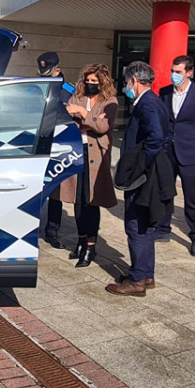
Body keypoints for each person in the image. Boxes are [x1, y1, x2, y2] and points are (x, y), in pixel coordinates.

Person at [107, 61, 174, 297]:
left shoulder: (147, 105)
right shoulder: (155, 102)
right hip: (151, 172)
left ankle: (137, 281)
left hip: (146, 175)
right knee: (143, 226)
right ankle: (145, 274)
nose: (126, 87)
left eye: (126, 83)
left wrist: (136, 166)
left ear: (134, 81)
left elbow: (155, 139)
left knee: (136, 226)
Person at [58, 63, 119, 267]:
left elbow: (103, 127)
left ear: (103, 82)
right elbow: (67, 118)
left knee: (92, 202)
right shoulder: (77, 97)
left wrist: (82, 114)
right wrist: (89, 117)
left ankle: (91, 247)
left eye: (95, 81)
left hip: (96, 157)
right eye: (88, 80)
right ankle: (81, 240)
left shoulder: (109, 101)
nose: (90, 84)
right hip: (76, 152)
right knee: (78, 201)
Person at [153, 55, 195, 257]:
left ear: (189, 72)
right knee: (165, 192)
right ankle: (163, 229)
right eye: (173, 71)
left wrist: (192, 140)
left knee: (192, 197)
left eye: (178, 72)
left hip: (191, 153)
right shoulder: (164, 93)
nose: (174, 75)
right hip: (167, 152)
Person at [37, 52, 75, 249]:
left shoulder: (69, 91)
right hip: (38, 143)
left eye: (47, 73)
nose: (43, 76)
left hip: (58, 146)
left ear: (57, 70)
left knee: (55, 191)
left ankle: (52, 230)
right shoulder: (36, 88)